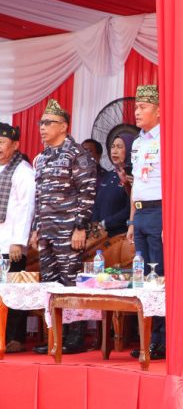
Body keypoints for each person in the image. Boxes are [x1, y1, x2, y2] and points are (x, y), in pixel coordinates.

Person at [30, 99, 96, 354]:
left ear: (64, 127)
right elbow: (40, 195)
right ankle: (55, 335)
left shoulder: (77, 154)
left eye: (49, 123)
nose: (42, 128)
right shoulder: (43, 157)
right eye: (41, 123)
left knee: (70, 283)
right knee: (50, 284)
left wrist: (81, 227)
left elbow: (87, 192)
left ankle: (75, 337)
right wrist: (37, 227)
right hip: (47, 230)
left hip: (69, 230)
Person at [126, 85, 166, 360]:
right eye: (136, 107)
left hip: (159, 213)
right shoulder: (138, 142)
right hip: (139, 213)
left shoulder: (167, 139)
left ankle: (161, 340)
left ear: (159, 110)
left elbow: (176, 183)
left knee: (159, 276)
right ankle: (146, 338)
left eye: (143, 107)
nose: (137, 111)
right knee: (141, 278)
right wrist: (130, 220)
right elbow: (136, 184)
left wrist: (170, 221)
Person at [0, 123, 35, 353]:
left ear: (15, 145)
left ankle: (14, 338)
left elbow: (27, 208)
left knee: (13, 293)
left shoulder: (23, 171)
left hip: (10, 243)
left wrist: (18, 241)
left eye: (2, 143)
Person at [92, 133, 135, 237]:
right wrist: (95, 222)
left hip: (121, 235)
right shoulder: (108, 175)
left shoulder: (133, 175)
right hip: (101, 235)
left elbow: (130, 208)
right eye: (112, 147)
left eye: (119, 147)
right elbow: (97, 203)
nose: (114, 151)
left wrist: (106, 223)